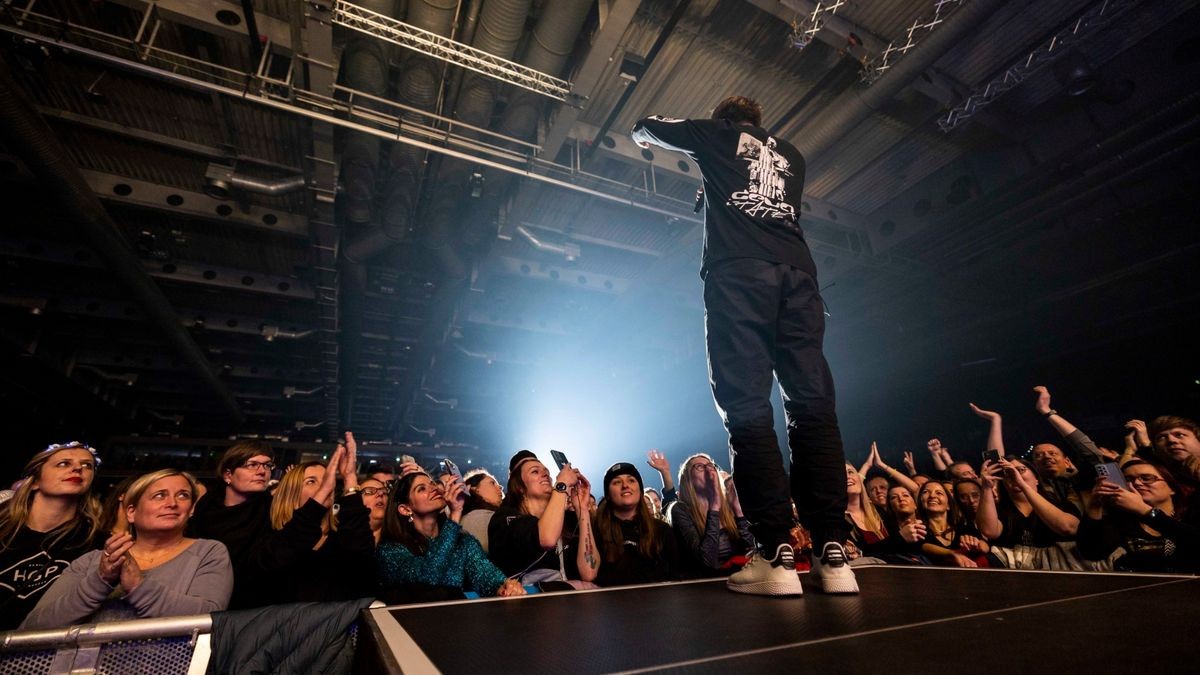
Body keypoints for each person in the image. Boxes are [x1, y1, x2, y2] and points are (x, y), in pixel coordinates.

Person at [632, 96, 856, 596]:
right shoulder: (793, 154)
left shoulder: (716, 135)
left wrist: (665, 137)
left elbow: (646, 126)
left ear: (725, 118)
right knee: (812, 405)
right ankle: (832, 551)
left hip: (740, 277)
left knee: (747, 406)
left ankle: (776, 553)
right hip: (799, 277)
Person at [21, 470, 232, 628]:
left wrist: (138, 585)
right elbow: (33, 627)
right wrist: (101, 580)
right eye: (159, 495)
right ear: (131, 512)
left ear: (191, 510)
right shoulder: (91, 561)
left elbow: (210, 619)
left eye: (183, 496)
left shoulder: (209, 552)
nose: (172, 503)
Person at [0, 443, 104, 629]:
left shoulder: (97, 542)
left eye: (87, 465)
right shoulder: (3, 526)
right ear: (34, 482)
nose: (78, 468)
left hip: (37, 650)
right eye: (64, 463)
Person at [376, 471, 523, 600]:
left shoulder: (463, 542)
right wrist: (454, 515)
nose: (433, 488)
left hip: (457, 623)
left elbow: (488, 579)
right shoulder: (390, 550)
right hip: (411, 626)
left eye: (432, 483)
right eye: (421, 489)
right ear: (405, 509)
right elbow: (429, 575)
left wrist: (506, 587)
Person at [266, 440, 376, 603]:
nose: (327, 484)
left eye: (327, 479)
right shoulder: (272, 539)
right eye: (311, 481)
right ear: (292, 493)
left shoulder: (341, 540)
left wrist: (350, 478)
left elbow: (362, 558)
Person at [487, 450, 599, 589]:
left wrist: (582, 509)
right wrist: (562, 483)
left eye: (546, 471)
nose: (545, 473)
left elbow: (589, 573)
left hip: (572, 605)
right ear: (519, 487)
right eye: (535, 471)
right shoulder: (505, 519)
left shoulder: (567, 520)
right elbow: (546, 538)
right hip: (528, 606)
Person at [1077, 458, 1199, 573]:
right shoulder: (1120, 520)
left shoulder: (1191, 514)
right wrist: (1094, 506)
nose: (1136, 483)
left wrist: (1144, 510)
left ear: (1172, 488)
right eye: (1128, 480)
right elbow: (1092, 553)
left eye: (1147, 478)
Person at [667, 454, 755, 577]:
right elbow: (707, 562)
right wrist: (714, 507)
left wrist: (738, 512)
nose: (708, 469)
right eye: (700, 467)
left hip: (739, 578)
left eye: (711, 466)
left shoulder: (728, 505)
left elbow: (753, 553)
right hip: (705, 586)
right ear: (688, 478)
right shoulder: (680, 510)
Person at [593, 462, 680, 586]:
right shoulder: (596, 531)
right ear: (608, 495)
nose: (625, 485)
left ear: (640, 490)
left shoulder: (662, 530)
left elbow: (676, 575)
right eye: (617, 482)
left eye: (631, 480)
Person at [460, 469, 503, 552]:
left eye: (499, 486)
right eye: (492, 483)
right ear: (474, 489)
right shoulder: (476, 518)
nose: (500, 487)